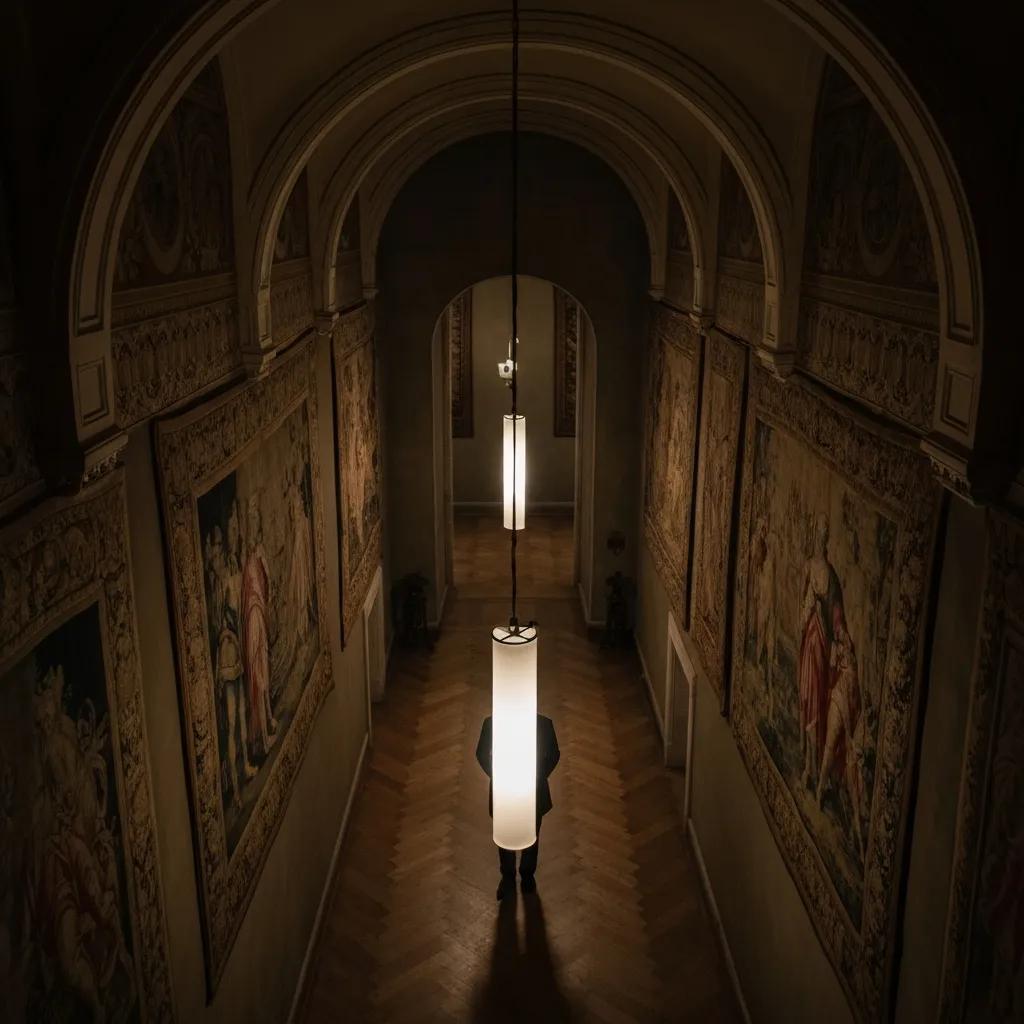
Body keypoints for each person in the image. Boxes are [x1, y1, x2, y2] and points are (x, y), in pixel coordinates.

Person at [476, 713, 560, 900]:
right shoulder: (542, 723)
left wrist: (535, 776)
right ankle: (513, 876)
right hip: (512, 791)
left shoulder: (493, 722)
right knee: (513, 833)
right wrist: (501, 775)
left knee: (530, 833)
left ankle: (521, 875)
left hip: (529, 791)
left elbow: (554, 754)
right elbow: (554, 755)